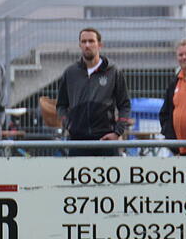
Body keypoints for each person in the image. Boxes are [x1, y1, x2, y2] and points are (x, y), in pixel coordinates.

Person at [56, 28, 131, 157]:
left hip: (106, 142)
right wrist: (69, 124)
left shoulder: (113, 72)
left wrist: (117, 133)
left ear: (99, 45)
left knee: (111, 178)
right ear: (79, 45)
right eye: (84, 41)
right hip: (78, 142)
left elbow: (124, 105)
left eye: (91, 41)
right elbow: (61, 106)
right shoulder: (70, 73)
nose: (87, 45)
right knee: (78, 177)